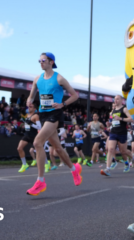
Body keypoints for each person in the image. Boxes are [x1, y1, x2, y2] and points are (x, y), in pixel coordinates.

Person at [26, 52, 81, 196]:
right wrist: (29, 100)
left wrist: (63, 104)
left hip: (55, 114)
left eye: (43, 60)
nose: (40, 62)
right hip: (43, 114)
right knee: (57, 147)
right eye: (39, 60)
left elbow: (75, 95)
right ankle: (74, 170)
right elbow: (31, 95)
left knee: (38, 142)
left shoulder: (60, 78)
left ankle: (40, 181)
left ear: (51, 62)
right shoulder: (37, 79)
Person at [100, 95, 134, 176]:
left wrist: (121, 119)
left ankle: (133, 157)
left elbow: (131, 119)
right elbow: (112, 121)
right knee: (110, 149)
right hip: (113, 132)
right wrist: (109, 124)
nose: (116, 100)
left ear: (122, 100)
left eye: (118, 99)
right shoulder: (112, 111)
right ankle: (107, 169)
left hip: (122, 133)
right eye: (115, 99)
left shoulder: (124, 109)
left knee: (123, 151)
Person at [17, 103, 40, 172]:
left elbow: (39, 127)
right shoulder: (27, 115)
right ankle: (24, 164)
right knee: (19, 148)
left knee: (39, 151)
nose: (29, 108)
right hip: (27, 134)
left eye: (31, 107)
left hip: (33, 135)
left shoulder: (36, 116)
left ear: (34, 109)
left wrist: (31, 123)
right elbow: (27, 125)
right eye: (28, 107)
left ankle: (46, 163)